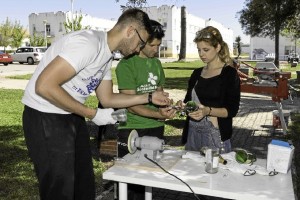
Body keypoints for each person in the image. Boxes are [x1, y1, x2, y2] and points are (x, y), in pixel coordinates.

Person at [22, 8, 170, 200]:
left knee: (84, 184)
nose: (138, 49)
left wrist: (148, 97)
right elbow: (44, 85)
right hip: (45, 115)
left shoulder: (107, 55)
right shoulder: (88, 43)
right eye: (141, 43)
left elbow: (107, 98)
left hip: (70, 115)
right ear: (130, 31)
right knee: (60, 188)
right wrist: (92, 114)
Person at [115, 19, 176, 200]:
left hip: (155, 127)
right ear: (142, 42)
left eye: (158, 45)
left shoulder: (156, 64)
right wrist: (158, 114)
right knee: (130, 182)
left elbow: (159, 93)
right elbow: (130, 105)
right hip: (132, 130)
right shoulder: (126, 65)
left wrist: (168, 106)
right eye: (152, 45)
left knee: (149, 177)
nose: (155, 50)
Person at [180, 26, 240, 153]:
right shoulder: (196, 73)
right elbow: (188, 102)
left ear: (217, 47)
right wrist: (181, 106)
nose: (201, 54)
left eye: (206, 50)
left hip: (215, 137)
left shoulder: (229, 74)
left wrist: (207, 111)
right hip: (192, 135)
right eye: (199, 50)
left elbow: (231, 110)